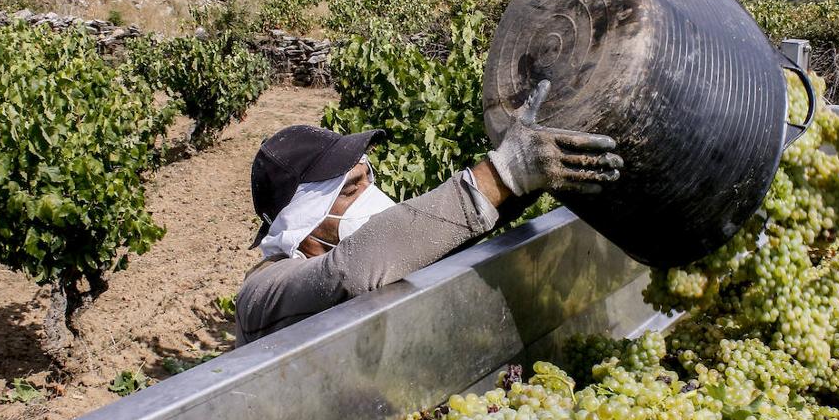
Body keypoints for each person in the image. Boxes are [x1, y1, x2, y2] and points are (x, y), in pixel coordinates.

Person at [234, 81, 624, 344]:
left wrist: (522, 187)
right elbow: (349, 272)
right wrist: (504, 173)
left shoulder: (375, 258)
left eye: (367, 179)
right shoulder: (261, 293)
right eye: (351, 189)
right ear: (300, 219)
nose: (370, 195)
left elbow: (439, 244)